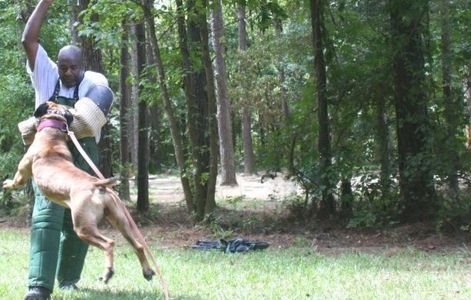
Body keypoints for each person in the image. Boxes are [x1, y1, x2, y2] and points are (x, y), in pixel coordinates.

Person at [21, 1, 113, 299]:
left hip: (84, 159)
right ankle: (39, 287)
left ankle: (69, 280)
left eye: (74, 66)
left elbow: (90, 116)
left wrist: (67, 116)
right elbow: (28, 40)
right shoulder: (45, 75)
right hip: (50, 159)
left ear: (82, 65)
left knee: (82, 219)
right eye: (64, 66)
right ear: (57, 66)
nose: (69, 71)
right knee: (46, 217)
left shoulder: (95, 81)